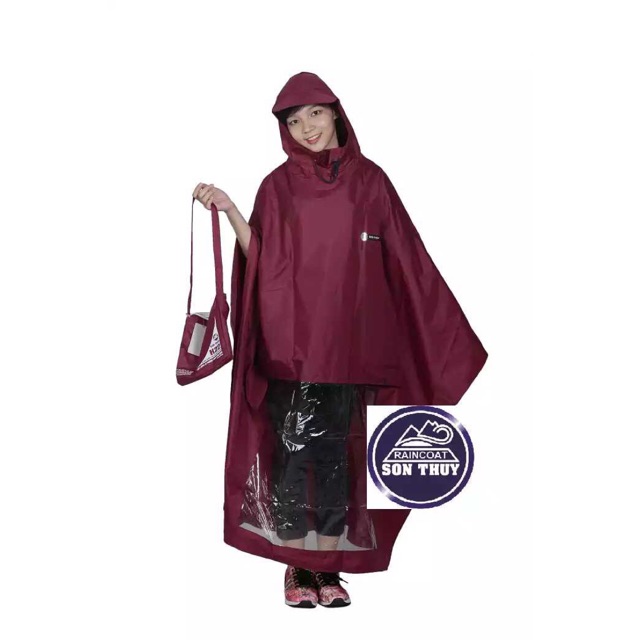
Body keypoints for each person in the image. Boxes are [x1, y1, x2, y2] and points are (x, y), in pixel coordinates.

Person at [192, 72, 488, 608]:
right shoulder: (276, 187)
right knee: (290, 456)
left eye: (315, 113)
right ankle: (297, 568)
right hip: (291, 346)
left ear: (335, 113)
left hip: (350, 346)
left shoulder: (371, 181)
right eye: (293, 120)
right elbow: (263, 257)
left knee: (336, 458)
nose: (306, 127)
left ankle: (326, 568)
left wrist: (444, 334)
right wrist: (231, 209)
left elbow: (407, 258)